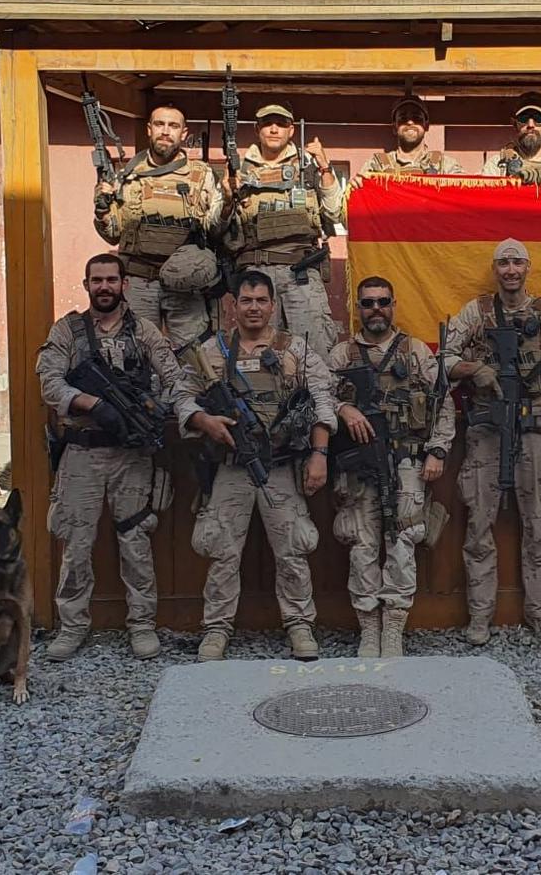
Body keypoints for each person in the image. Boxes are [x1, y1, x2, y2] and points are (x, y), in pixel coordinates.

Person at [36, 253, 207, 661]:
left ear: (124, 284)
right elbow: (49, 382)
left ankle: (142, 625)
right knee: (76, 541)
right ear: (86, 285)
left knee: (135, 540)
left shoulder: (144, 332)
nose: (105, 287)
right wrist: (92, 404)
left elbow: (175, 377)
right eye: (97, 280)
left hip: (131, 453)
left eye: (112, 279)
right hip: (83, 451)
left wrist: (164, 408)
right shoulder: (68, 331)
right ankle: (73, 624)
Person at [181, 270, 339, 662]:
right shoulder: (212, 351)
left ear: (273, 305)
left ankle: (300, 625)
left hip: (280, 468)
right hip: (231, 468)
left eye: (261, 301)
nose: (254, 308)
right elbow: (182, 395)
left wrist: (319, 455)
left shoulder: (294, 349)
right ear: (234, 306)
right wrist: (204, 421)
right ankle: (216, 631)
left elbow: (323, 399)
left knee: (292, 550)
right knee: (221, 551)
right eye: (246, 301)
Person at [441, 239, 541, 646]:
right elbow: (445, 358)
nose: (510, 269)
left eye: (516, 262)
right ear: (495, 269)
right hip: (487, 426)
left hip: (536, 427)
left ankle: (540, 615)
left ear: (528, 268)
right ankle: (480, 616)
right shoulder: (478, 311)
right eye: (503, 263)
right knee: (479, 524)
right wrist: (475, 369)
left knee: (539, 525)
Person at [326, 277, 456, 658]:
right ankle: (369, 626)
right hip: (359, 467)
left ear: (393, 305)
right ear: (359, 309)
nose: (376, 309)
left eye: (383, 302)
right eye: (368, 303)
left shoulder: (414, 351)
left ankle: (394, 626)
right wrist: (342, 408)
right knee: (362, 545)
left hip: (406, 463)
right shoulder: (341, 355)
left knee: (402, 541)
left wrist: (438, 451)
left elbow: (443, 404)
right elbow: (316, 397)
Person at [93, 101, 224, 350]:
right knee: (137, 355)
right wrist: (101, 209)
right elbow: (112, 234)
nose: (166, 131)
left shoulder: (202, 175)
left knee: (198, 358)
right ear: (149, 129)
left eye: (173, 126)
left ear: (184, 133)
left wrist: (227, 203)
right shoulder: (127, 176)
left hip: (185, 286)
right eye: (160, 124)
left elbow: (214, 228)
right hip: (140, 282)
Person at [222, 101, 344, 357]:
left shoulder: (308, 165)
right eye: (268, 123)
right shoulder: (239, 169)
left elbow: (335, 213)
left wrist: (324, 167)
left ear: (291, 130)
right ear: (257, 130)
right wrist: (226, 196)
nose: (274, 129)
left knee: (315, 353)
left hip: (300, 274)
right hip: (255, 276)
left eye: (281, 124)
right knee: (256, 353)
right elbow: (217, 228)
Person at [360, 97, 464, 175]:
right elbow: (355, 196)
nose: (410, 122)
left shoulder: (445, 165)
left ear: (426, 126)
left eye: (417, 118)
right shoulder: (376, 165)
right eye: (403, 118)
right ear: (394, 127)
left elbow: (467, 195)